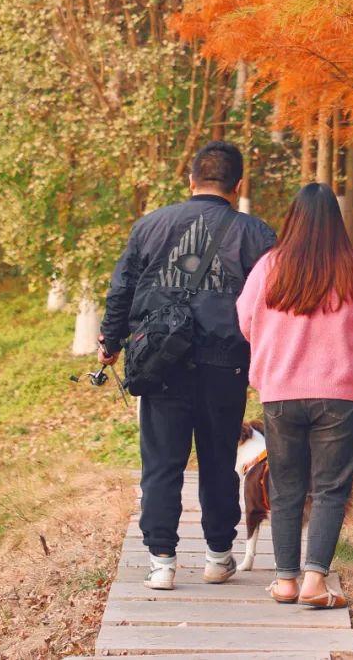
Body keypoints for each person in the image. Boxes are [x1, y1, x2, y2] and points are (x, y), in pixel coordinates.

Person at [98, 140, 276, 591]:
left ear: (190, 180)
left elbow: (122, 289)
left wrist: (110, 342)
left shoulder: (151, 226)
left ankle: (162, 562)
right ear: (238, 185)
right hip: (225, 366)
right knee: (218, 460)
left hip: (162, 366)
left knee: (161, 464)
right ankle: (218, 557)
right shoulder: (257, 235)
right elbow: (273, 304)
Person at [236, 181, 353, 610]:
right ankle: (315, 580)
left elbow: (246, 321)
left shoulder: (269, 266)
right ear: (336, 222)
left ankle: (285, 580)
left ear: (292, 221)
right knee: (329, 489)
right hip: (339, 395)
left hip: (281, 393)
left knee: (285, 485)